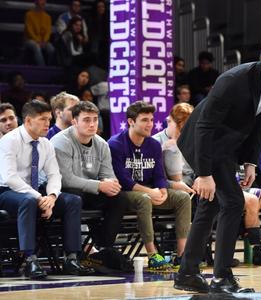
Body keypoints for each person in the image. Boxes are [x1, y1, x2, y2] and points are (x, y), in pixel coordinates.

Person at [174, 32, 261, 294]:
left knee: (211, 206)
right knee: (232, 202)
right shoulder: (233, 81)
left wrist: (250, 162)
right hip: (203, 143)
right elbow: (205, 126)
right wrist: (203, 173)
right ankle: (221, 277)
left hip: (228, 145)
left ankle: (187, 273)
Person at [0, 100, 94, 279]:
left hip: (36, 193)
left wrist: (51, 196)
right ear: (28, 121)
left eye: (49, 119)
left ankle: (71, 258)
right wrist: (39, 197)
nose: (47, 123)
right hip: (6, 192)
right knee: (27, 200)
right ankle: (30, 260)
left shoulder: (45, 143)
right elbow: (10, 178)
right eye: (42, 119)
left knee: (73, 201)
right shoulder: (9, 141)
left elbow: (54, 175)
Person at [108, 101, 191, 270]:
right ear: (131, 122)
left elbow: (159, 176)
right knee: (144, 199)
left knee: (182, 198)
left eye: (151, 120)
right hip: (126, 193)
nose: (150, 124)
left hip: (151, 190)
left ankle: (182, 255)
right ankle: (153, 255)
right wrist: (150, 192)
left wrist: (162, 190)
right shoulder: (115, 144)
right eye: (145, 120)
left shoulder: (153, 144)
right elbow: (124, 180)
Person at [50, 101, 128, 263]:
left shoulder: (102, 144)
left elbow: (108, 174)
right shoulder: (61, 142)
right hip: (64, 191)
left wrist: (111, 183)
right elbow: (66, 179)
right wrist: (100, 185)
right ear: (74, 122)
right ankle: (74, 253)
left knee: (119, 197)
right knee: (75, 195)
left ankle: (104, 248)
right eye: (86, 120)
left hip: (89, 191)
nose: (92, 124)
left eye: (95, 119)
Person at [152, 103, 196, 192]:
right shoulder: (155, 142)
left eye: (187, 129)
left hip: (193, 183)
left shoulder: (193, 139)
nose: (183, 133)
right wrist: (161, 150)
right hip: (171, 186)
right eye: (180, 129)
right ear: (169, 121)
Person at [24, 0, 55, 66]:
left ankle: (50, 67)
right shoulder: (29, 14)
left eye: (44, 2)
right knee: (36, 46)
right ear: (36, 3)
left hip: (43, 41)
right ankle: (42, 68)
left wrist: (44, 41)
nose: (43, 3)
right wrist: (37, 41)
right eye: (41, 1)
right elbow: (29, 30)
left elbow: (48, 31)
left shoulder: (47, 17)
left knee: (51, 49)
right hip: (30, 40)